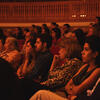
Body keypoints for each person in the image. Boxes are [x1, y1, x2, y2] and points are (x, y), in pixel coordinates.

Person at [29, 36, 100, 100]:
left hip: (69, 95)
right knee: (27, 85)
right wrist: (54, 64)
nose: (82, 52)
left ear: (95, 54)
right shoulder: (84, 66)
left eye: (86, 50)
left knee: (40, 93)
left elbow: (77, 89)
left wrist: (72, 92)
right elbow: (67, 86)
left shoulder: (76, 63)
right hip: (64, 93)